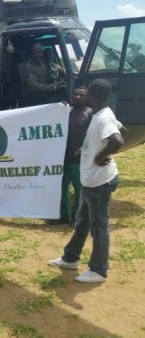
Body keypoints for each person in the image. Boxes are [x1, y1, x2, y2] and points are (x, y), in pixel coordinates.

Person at [48, 79, 125, 283]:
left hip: (100, 182)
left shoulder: (102, 118)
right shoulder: (101, 114)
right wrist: (91, 148)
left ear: (91, 95)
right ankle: (70, 258)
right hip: (90, 182)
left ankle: (99, 270)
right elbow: (121, 130)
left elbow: (118, 139)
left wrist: (100, 157)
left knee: (98, 226)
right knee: (82, 221)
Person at [50, 87, 92, 226]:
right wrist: (59, 108)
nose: (78, 97)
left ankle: (76, 217)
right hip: (62, 158)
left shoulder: (90, 114)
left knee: (79, 191)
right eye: (76, 94)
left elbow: (94, 136)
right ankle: (63, 216)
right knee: (61, 189)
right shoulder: (65, 111)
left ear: (88, 98)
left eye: (82, 95)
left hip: (79, 160)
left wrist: (86, 148)